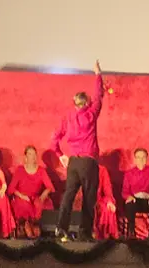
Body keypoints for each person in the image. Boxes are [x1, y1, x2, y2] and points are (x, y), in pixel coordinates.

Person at [51, 60, 104, 242]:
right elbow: (99, 96)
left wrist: (61, 156)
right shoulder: (91, 114)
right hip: (88, 162)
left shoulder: (68, 118)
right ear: (87, 103)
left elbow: (54, 140)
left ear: (74, 104)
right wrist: (98, 74)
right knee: (89, 198)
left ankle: (61, 228)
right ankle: (84, 232)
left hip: (73, 162)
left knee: (69, 195)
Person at [8, 146, 54, 238]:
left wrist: (44, 194)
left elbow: (49, 187)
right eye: (30, 154)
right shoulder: (20, 170)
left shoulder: (41, 170)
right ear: (25, 157)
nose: (32, 156)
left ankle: (33, 226)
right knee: (24, 204)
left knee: (38, 204)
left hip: (35, 196)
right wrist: (21, 196)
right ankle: (25, 226)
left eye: (34, 154)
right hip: (21, 197)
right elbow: (11, 189)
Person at [122, 148, 149, 240]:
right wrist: (129, 197)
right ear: (135, 159)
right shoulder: (129, 173)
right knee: (129, 204)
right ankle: (131, 232)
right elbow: (125, 191)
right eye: (138, 157)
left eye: (143, 157)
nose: (141, 160)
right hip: (135, 200)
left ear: (146, 159)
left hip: (148, 200)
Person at [93, 164, 118, 239]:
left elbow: (107, 188)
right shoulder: (78, 166)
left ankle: (106, 237)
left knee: (108, 208)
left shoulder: (102, 169)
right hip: (82, 198)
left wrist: (110, 201)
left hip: (97, 199)